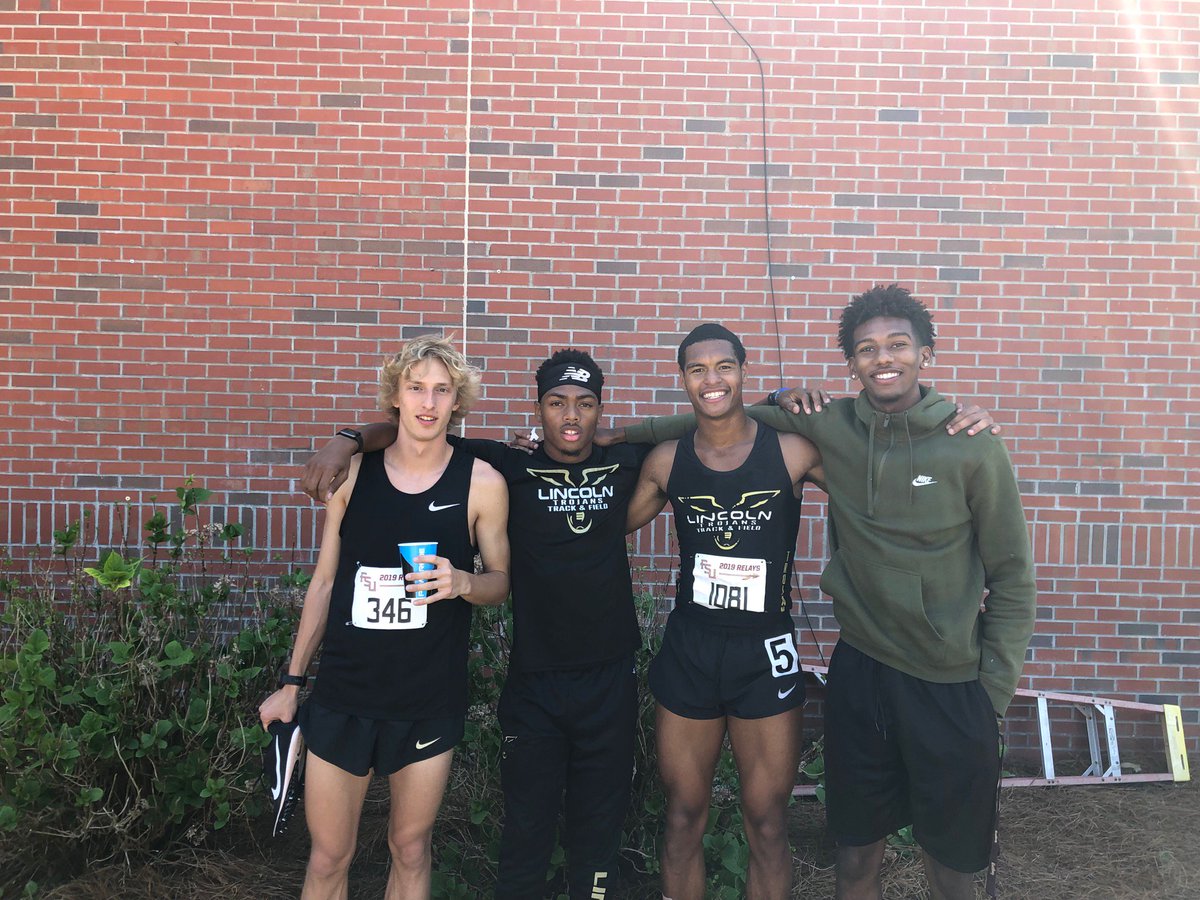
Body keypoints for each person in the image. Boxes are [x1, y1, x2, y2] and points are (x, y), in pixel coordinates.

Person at [620, 286, 1037, 900]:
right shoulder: (832, 427)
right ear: (850, 363)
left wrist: (992, 693)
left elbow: (1013, 577)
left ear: (926, 352)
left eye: (897, 345)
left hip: (949, 681)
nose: (883, 358)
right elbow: (716, 418)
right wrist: (602, 436)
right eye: (866, 349)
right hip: (860, 669)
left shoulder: (970, 443)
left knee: (950, 861)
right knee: (854, 854)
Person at [301, 349, 650, 900]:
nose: (571, 416)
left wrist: (773, 403)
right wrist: (345, 438)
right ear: (538, 409)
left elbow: (709, 428)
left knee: (596, 834)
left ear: (601, 409)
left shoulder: (630, 461)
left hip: (606, 678)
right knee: (525, 832)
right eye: (557, 402)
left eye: (585, 404)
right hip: (533, 679)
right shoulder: (508, 464)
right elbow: (411, 431)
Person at [259, 334, 510, 900]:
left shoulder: (482, 483)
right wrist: (292, 682)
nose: (428, 402)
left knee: (411, 848)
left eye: (442, 391)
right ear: (395, 396)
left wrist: (463, 581)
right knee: (328, 857)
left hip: (428, 698)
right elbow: (324, 583)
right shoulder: (352, 475)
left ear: (456, 401)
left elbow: (501, 581)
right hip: (346, 694)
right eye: (416, 388)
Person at [623, 323, 823, 900]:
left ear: (743, 369)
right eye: (698, 369)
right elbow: (600, 530)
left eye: (724, 366)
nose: (712, 380)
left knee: (767, 821)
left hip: (765, 652)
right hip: (691, 649)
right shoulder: (666, 460)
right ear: (683, 378)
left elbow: (872, 494)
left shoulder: (791, 451)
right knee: (684, 815)